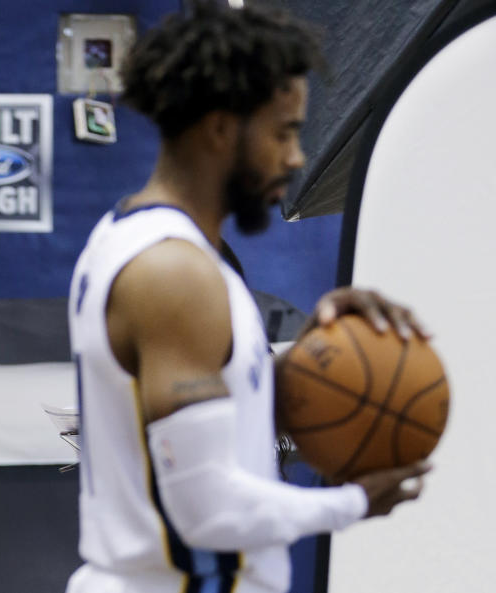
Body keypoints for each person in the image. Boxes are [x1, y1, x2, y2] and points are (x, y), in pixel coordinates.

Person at [66, 3, 431, 593]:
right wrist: (352, 503)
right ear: (221, 128)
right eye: (285, 132)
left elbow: (211, 396)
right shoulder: (173, 272)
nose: (295, 157)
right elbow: (207, 510)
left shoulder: (144, 240)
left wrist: (318, 352)